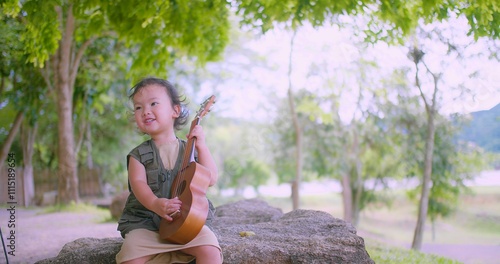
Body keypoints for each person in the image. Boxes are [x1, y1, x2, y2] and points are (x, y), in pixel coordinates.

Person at [116, 77, 222, 264]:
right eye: (138, 107)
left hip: (187, 223)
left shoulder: (190, 150)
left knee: (211, 250)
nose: (145, 111)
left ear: (175, 110)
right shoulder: (137, 156)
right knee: (130, 257)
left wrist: (202, 146)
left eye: (153, 103)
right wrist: (156, 204)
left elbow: (211, 178)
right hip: (146, 226)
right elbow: (138, 185)